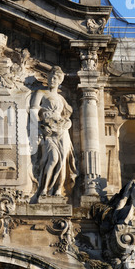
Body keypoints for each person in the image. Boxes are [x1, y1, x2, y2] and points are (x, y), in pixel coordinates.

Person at [30, 66, 77, 197]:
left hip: (62, 130)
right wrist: (38, 129)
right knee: (52, 159)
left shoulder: (62, 99)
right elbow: (33, 111)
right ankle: (44, 188)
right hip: (48, 130)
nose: (52, 79)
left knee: (62, 160)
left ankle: (58, 189)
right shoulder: (41, 93)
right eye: (50, 77)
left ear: (60, 81)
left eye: (55, 77)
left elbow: (67, 117)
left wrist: (67, 123)